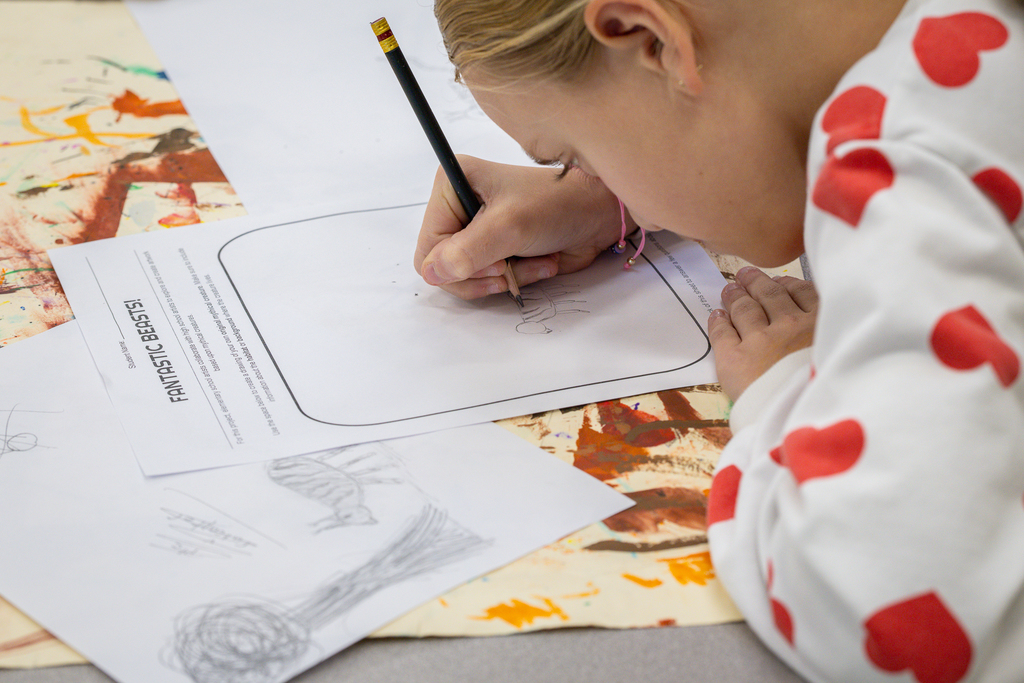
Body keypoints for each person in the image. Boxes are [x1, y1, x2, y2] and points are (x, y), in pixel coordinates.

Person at [414, 0, 1024, 681]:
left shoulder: (908, 153)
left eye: (575, 158)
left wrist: (786, 387)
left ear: (650, 40)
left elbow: (890, 621)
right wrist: (605, 203)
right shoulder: (965, 55)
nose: (620, 195)